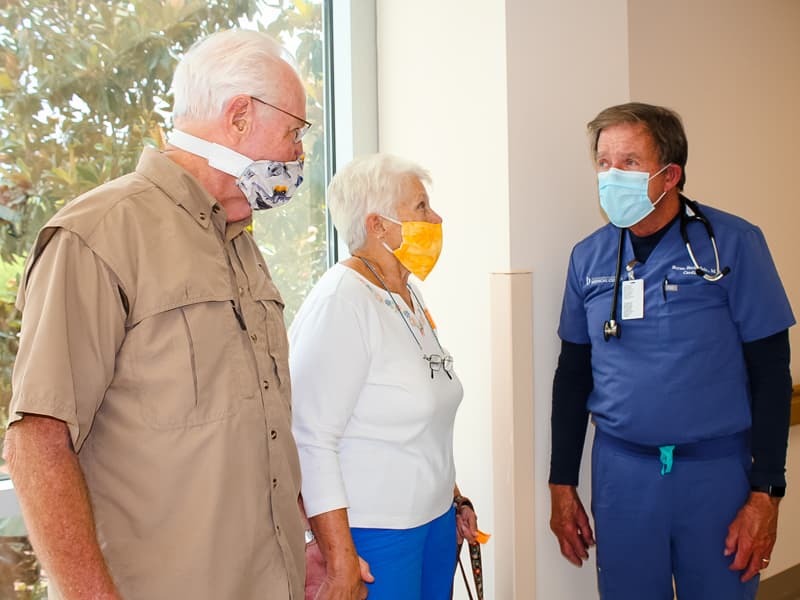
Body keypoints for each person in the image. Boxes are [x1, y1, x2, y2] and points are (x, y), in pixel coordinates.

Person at [3, 29, 309, 600]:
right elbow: (38, 442)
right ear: (239, 116)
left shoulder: (239, 241)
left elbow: (262, 429)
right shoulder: (99, 235)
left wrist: (301, 549)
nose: (297, 153)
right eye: (293, 131)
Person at [549, 102, 795, 600]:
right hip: (622, 475)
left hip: (717, 476)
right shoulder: (589, 258)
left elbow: (771, 371)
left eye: (629, 162)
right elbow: (573, 375)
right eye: (603, 162)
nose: (611, 175)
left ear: (670, 174)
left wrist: (766, 492)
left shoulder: (733, 244)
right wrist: (561, 484)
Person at [289, 154, 478, 600]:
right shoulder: (342, 301)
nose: (436, 219)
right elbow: (311, 438)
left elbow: (420, 409)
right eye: (421, 207)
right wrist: (339, 558)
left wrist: (454, 497)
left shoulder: (405, 294)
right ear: (378, 225)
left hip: (432, 523)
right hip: (374, 533)